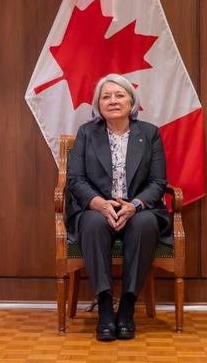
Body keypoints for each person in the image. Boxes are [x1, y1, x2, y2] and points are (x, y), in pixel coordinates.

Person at [64, 75, 172, 341]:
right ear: (98, 105)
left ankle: (126, 307)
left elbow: (158, 182)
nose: (113, 101)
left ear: (131, 101)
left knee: (145, 224)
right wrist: (100, 204)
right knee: (92, 223)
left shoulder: (149, 134)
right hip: (96, 208)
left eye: (119, 95)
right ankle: (103, 306)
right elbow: (75, 180)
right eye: (106, 96)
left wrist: (134, 205)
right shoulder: (87, 133)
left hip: (139, 209)